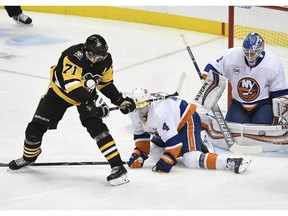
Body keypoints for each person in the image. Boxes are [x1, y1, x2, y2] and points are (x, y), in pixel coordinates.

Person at [8, 34, 136, 186]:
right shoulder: (73, 55)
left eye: (99, 57)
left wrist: (119, 100)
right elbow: (72, 87)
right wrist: (94, 102)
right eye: (92, 55)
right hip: (59, 93)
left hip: (87, 95)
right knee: (34, 129)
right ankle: (29, 157)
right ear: (85, 49)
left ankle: (118, 167)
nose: (95, 60)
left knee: (98, 129)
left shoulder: (106, 60)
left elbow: (105, 84)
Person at [126, 87, 251, 174]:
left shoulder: (160, 113)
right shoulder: (133, 113)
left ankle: (229, 162)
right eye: (137, 109)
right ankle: (192, 144)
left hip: (186, 120)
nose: (140, 112)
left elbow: (174, 144)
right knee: (154, 154)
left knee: (190, 159)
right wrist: (139, 156)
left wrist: (168, 158)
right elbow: (142, 139)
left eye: (142, 108)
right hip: (169, 126)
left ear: (148, 104)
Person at [202, 32, 288, 125]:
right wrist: (206, 79)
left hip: (263, 105)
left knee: (261, 133)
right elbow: (213, 67)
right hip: (238, 104)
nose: (250, 55)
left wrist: (283, 112)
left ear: (260, 50)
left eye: (253, 52)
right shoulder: (232, 56)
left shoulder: (273, 63)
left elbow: (280, 93)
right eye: (247, 52)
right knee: (232, 132)